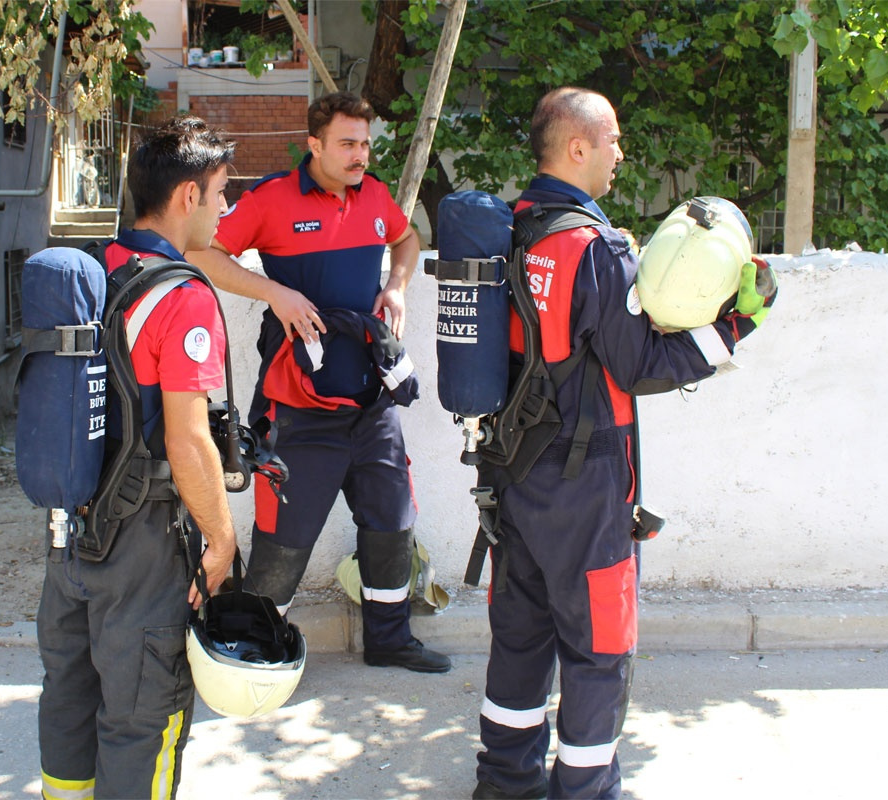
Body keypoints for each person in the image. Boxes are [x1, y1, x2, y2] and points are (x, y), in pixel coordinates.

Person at [473, 87, 774, 799]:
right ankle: (585, 789)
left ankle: (505, 783)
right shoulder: (594, 247)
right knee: (599, 648)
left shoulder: (513, 227)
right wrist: (737, 326)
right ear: (577, 147)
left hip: (511, 472)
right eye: (612, 140)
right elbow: (638, 363)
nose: (620, 153)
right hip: (586, 480)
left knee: (520, 637)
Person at [185, 91, 450, 674]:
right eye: (348, 144)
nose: (361, 155)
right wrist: (273, 292)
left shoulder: (376, 195)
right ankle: (253, 649)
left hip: (372, 403)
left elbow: (406, 239)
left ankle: (389, 640)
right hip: (299, 409)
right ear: (315, 145)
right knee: (283, 541)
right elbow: (204, 252)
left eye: (365, 143)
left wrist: (398, 283)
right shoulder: (273, 198)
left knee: (392, 526)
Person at [36, 116, 237, 800]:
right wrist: (221, 536)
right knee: (140, 719)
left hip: (71, 529)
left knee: (69, 696)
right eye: (219, 194)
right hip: (143, 544)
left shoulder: (96, 273)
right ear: (186, 197)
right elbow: (187, 440)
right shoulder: (181, 296)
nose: (224, 209)